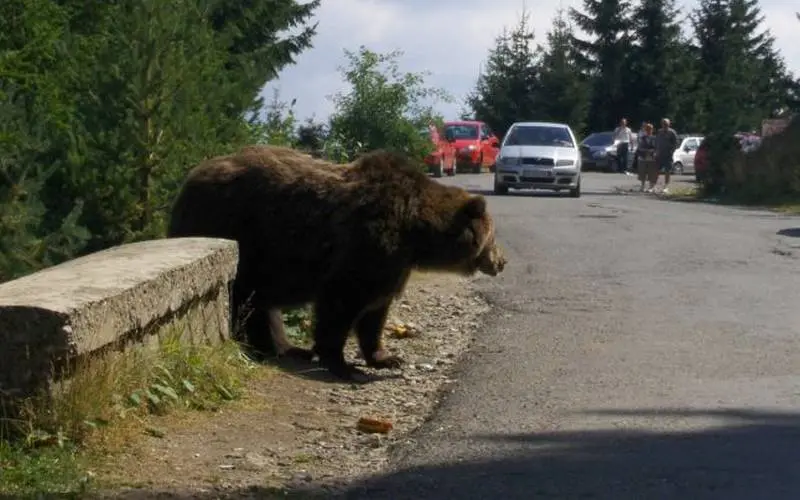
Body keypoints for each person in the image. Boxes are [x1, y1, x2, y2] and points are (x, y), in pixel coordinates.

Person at [654, 118, 679, 194]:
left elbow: (676, 143)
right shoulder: (659, 132)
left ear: (669, 124)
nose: (664, 125)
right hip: (659, 154)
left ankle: (666, 187)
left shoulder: (672, 132)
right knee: (656, 170)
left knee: (667, 171)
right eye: (663, 124)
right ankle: (654, 186)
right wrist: (656, 151)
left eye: (666, 124)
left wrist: (672, 151)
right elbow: (657, 142)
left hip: (668, 154)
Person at [636, 122, 658, 192]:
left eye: (650, 129)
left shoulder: (655, 138)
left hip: (652, 158)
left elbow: (656, 148)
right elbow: (639, 147)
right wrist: (645, 151)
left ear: (652, 130)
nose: (648, 130)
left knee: (652, 173)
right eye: (647, 129)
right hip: (643, 157)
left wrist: (652, 152)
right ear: (645, 130)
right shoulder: (642, 138)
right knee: (642, 172)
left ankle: (651, 187)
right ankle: (642, 186)